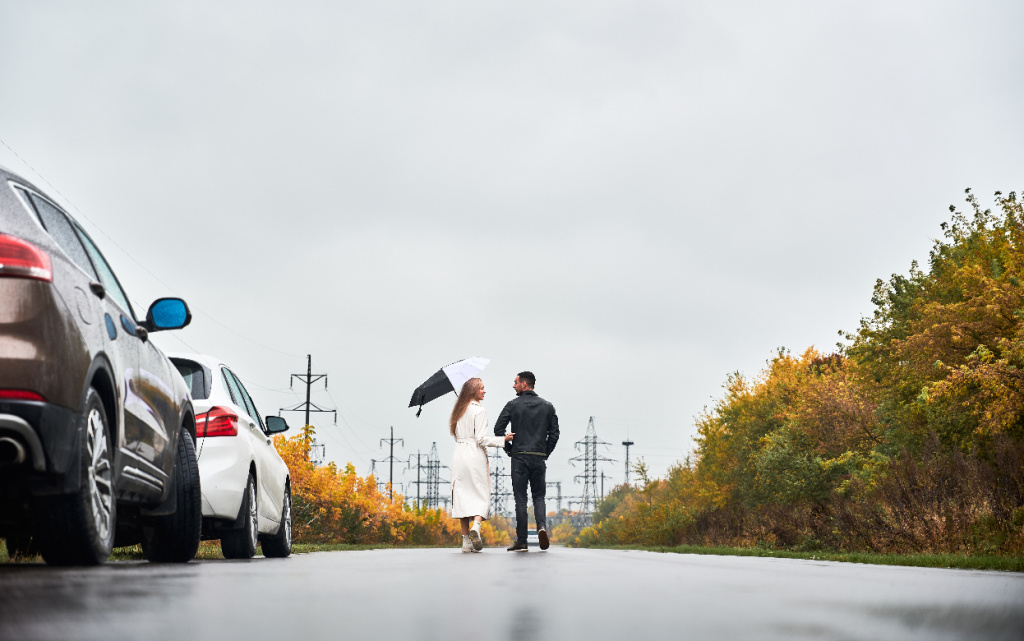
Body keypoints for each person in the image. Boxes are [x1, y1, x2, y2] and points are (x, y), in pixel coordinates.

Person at [493, 371, 559, 551]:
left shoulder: (512, 405)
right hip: (538, 457)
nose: (513, 386)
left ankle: (522, 541)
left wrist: (509, 449)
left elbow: (498, 428)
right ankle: (542, 527)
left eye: (515, 383)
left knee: (520, 499)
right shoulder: (547, 406)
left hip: (519, 457)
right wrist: (545, 452)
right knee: (539, 497)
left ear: (524, 384)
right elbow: (555, 434)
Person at [449, 377, 514, 553]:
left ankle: (465, 542)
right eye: (482, 388)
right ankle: (476, 527)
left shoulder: (457, 412)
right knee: (481, 492)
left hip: (459, 454)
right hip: (474, 455)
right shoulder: (479, 411)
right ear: (473, 391)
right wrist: (504, 439)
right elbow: (481, 439)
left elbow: (455, 435)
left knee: (461, 495)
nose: (484, 391)